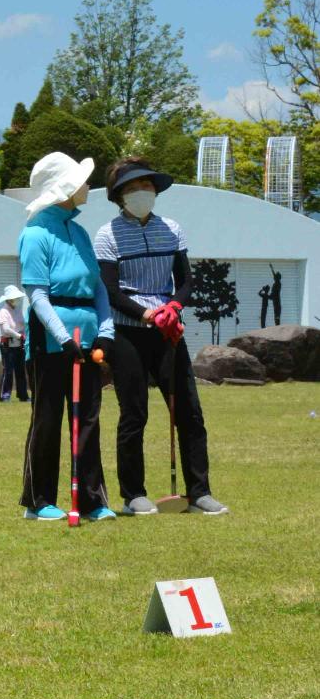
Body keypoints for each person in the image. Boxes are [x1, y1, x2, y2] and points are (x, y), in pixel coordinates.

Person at [94, 158, 228, 516]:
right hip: (128, 332)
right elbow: (109, 289)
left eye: (149, 186)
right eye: (135, 188)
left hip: (168, 329)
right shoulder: (107, 235)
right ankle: (133, 494)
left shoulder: (172, 229)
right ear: (120, 195)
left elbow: (185, 281)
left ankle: (199, 492)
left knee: (189, 411)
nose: (143, 193)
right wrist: (145, 312)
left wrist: (173, 307)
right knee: (134, 413)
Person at [17, 151, 116, 521]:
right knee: (48, 418)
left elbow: (99, 289)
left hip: (89, 340)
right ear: (65, 189)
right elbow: (38, 296)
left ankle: (93, 500)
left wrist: (105, 331)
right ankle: (38, 500)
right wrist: (63, 337)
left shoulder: (80, 233)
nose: (87, 186)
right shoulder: (35, 234)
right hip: (50, 343)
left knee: (88, 418)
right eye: (81, 181)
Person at [0, 284, 29, 403]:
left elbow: (22, 325)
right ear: (8, 299)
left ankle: (23, 395)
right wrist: (20, 335)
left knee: (20, 371)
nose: (17, 300)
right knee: (8, 371)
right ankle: (5, 395)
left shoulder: (18, 311)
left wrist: (23, 335)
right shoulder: (3, 312)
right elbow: (6, 329)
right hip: (7, 346)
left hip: (19, 345)